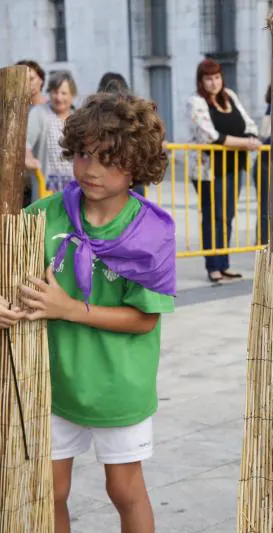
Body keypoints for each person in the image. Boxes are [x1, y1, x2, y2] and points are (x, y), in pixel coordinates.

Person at [20, 92, 177, 533]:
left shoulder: (151, 233)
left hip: (119, 385)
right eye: (84, 153)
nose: (91, 169)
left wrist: (71, 309)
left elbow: (145, 319)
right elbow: (12, 277)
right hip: (52, 382)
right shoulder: (43, 216)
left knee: (124, 491)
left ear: (137, 163)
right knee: (48, 491)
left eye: (108, 158)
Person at [188, 58, 261, 283]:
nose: (213, 83)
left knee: (227, 216)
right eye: (208, 78)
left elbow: (250, 126)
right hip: (209, 168)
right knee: (213, 216)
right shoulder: (196, 102)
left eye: (217, 77)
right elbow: (209, 136)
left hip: (234, 166)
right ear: (201, 81)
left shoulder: (230, 96)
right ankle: (213, 266)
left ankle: (224, 263)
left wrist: (243, 140)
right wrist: (244, 142)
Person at [25, 71, 79, 200]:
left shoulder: (78, 118)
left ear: (72, 95)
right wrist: (28, 157)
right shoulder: (39, 113)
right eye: (55, 92)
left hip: (74, 188)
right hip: (47, 189)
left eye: (64, 93)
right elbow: (25, 142)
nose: (59, 97)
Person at [17, 59, 48, 206]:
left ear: (41, 79)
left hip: (46, 178)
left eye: (32, 79)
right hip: (21, 180)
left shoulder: (54, 109)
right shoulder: (15, 113)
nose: (29, 83)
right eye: (24, 80)